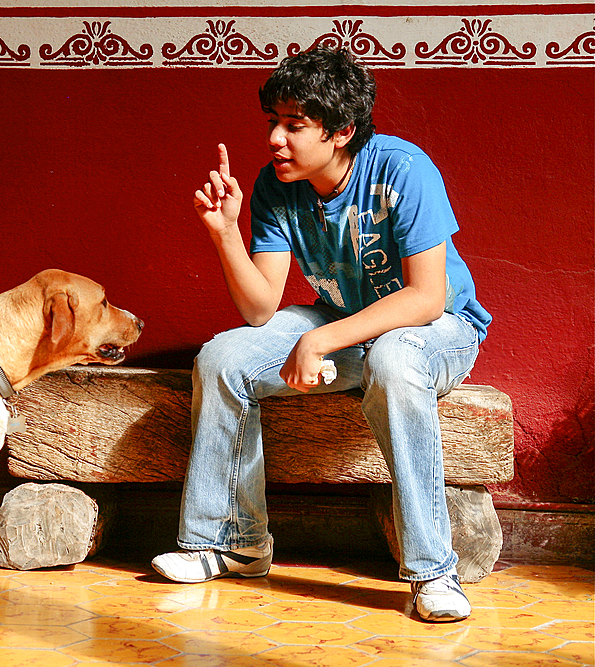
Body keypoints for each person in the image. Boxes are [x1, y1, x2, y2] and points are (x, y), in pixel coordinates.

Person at [151, 47, 491, 623]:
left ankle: (434, 571)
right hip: (344, 324)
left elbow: (427, 298)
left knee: (394, 357)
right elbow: (260, 309)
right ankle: (233, 542)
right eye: (272, 124)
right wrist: (226, 234)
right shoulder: (276, 186)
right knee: (223, 357)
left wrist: (318, 341)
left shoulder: (403, 169)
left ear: (341, 132)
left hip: (437, 330)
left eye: (294, 126)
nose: (276, 140)